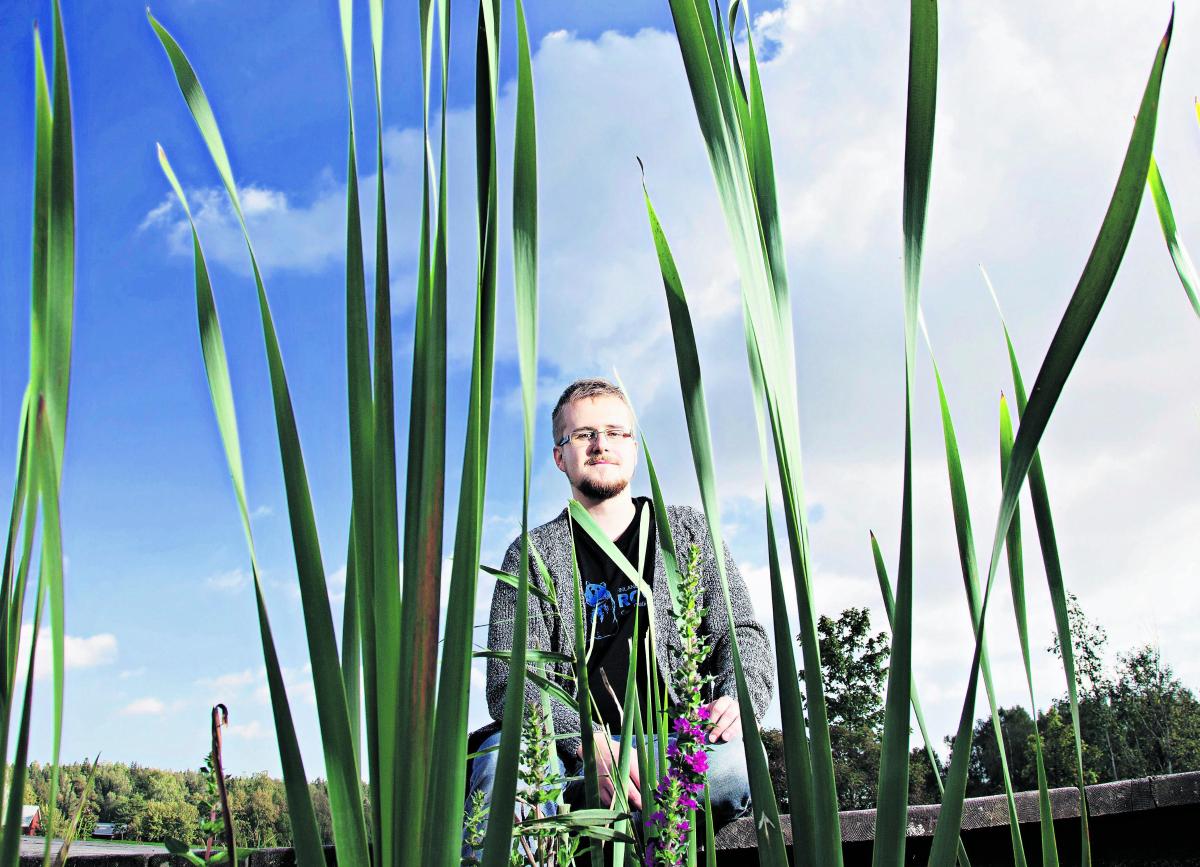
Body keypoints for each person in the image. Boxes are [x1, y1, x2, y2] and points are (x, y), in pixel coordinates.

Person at [468, 377, 774, 831]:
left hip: (672, 742)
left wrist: (737, 693)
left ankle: (618, 806)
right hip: (562, 753)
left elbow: (740, 631)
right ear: (560, 456)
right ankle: (582, 801)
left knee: (734, 765)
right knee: (499, 770)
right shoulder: (531, 553)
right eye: (583, 434)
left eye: (615, 432)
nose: (600, 445)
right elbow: (510, 681)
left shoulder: (688, 533)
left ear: (632, 447)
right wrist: (587, 742)